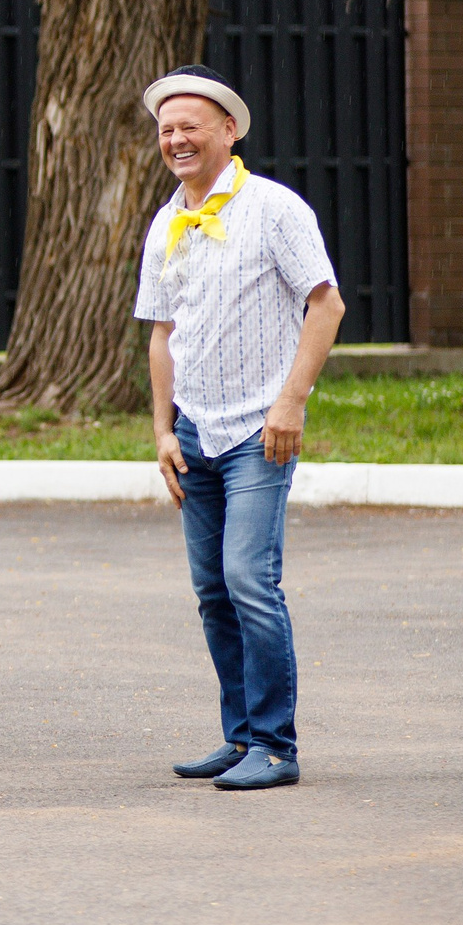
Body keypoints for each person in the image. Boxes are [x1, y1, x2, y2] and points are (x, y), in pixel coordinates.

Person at [136, 62, 343, 792]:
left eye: (190, 126)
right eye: (166, 130)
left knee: (248, 580)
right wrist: (163, 430)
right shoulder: (168, 221)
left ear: (228, 130)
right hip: (194, 435)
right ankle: (240, 737)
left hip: (260, 431)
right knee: (212, 593)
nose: (176, 139)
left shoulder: (275, 209)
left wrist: (291, 402)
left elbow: (326, 304)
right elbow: (163, 333)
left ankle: (277, 747)